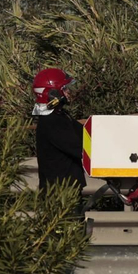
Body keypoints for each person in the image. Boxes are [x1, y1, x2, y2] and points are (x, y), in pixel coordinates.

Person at [32, 67, 86, 195]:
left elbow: (84, 133)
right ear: (53, 94)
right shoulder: (52, 121)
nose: (68, 92)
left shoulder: (60, 116)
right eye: (64, 89)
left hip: (66, 190)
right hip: (60, 194)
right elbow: (80, 148)